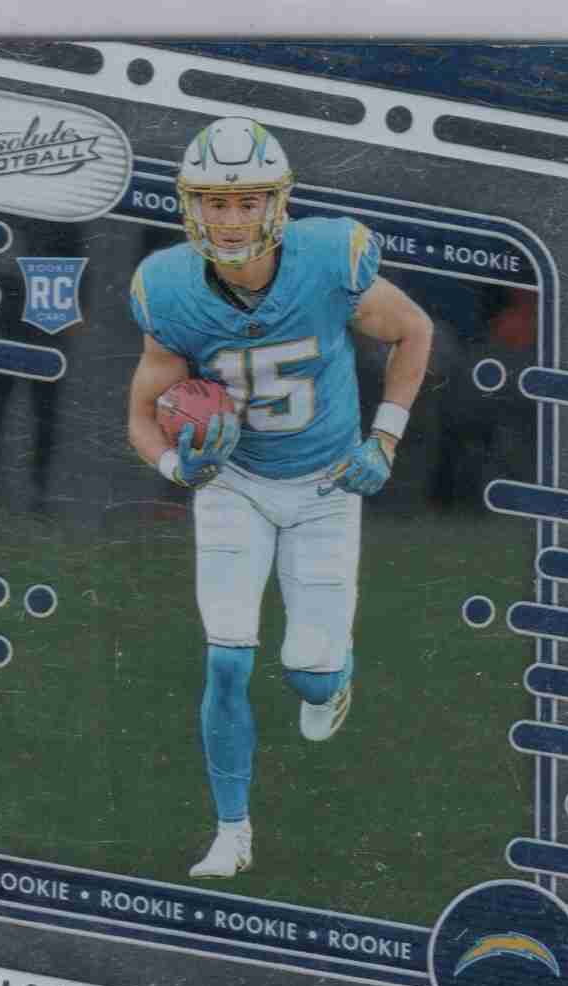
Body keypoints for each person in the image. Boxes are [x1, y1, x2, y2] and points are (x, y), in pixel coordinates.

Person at [128, 117, 433, 878]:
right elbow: (141, 415)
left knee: (309, 673)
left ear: (278, 202)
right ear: (190, 205)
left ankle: (333, 676)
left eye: (248, 200)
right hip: (234, 483)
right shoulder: (166, 289)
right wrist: (175, 469)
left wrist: (384, 439)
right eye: (215, 201)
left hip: (328, 484)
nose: (232, 219)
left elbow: (413, 330)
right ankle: (232, 832)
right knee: (226, 661)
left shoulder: (330, 258)